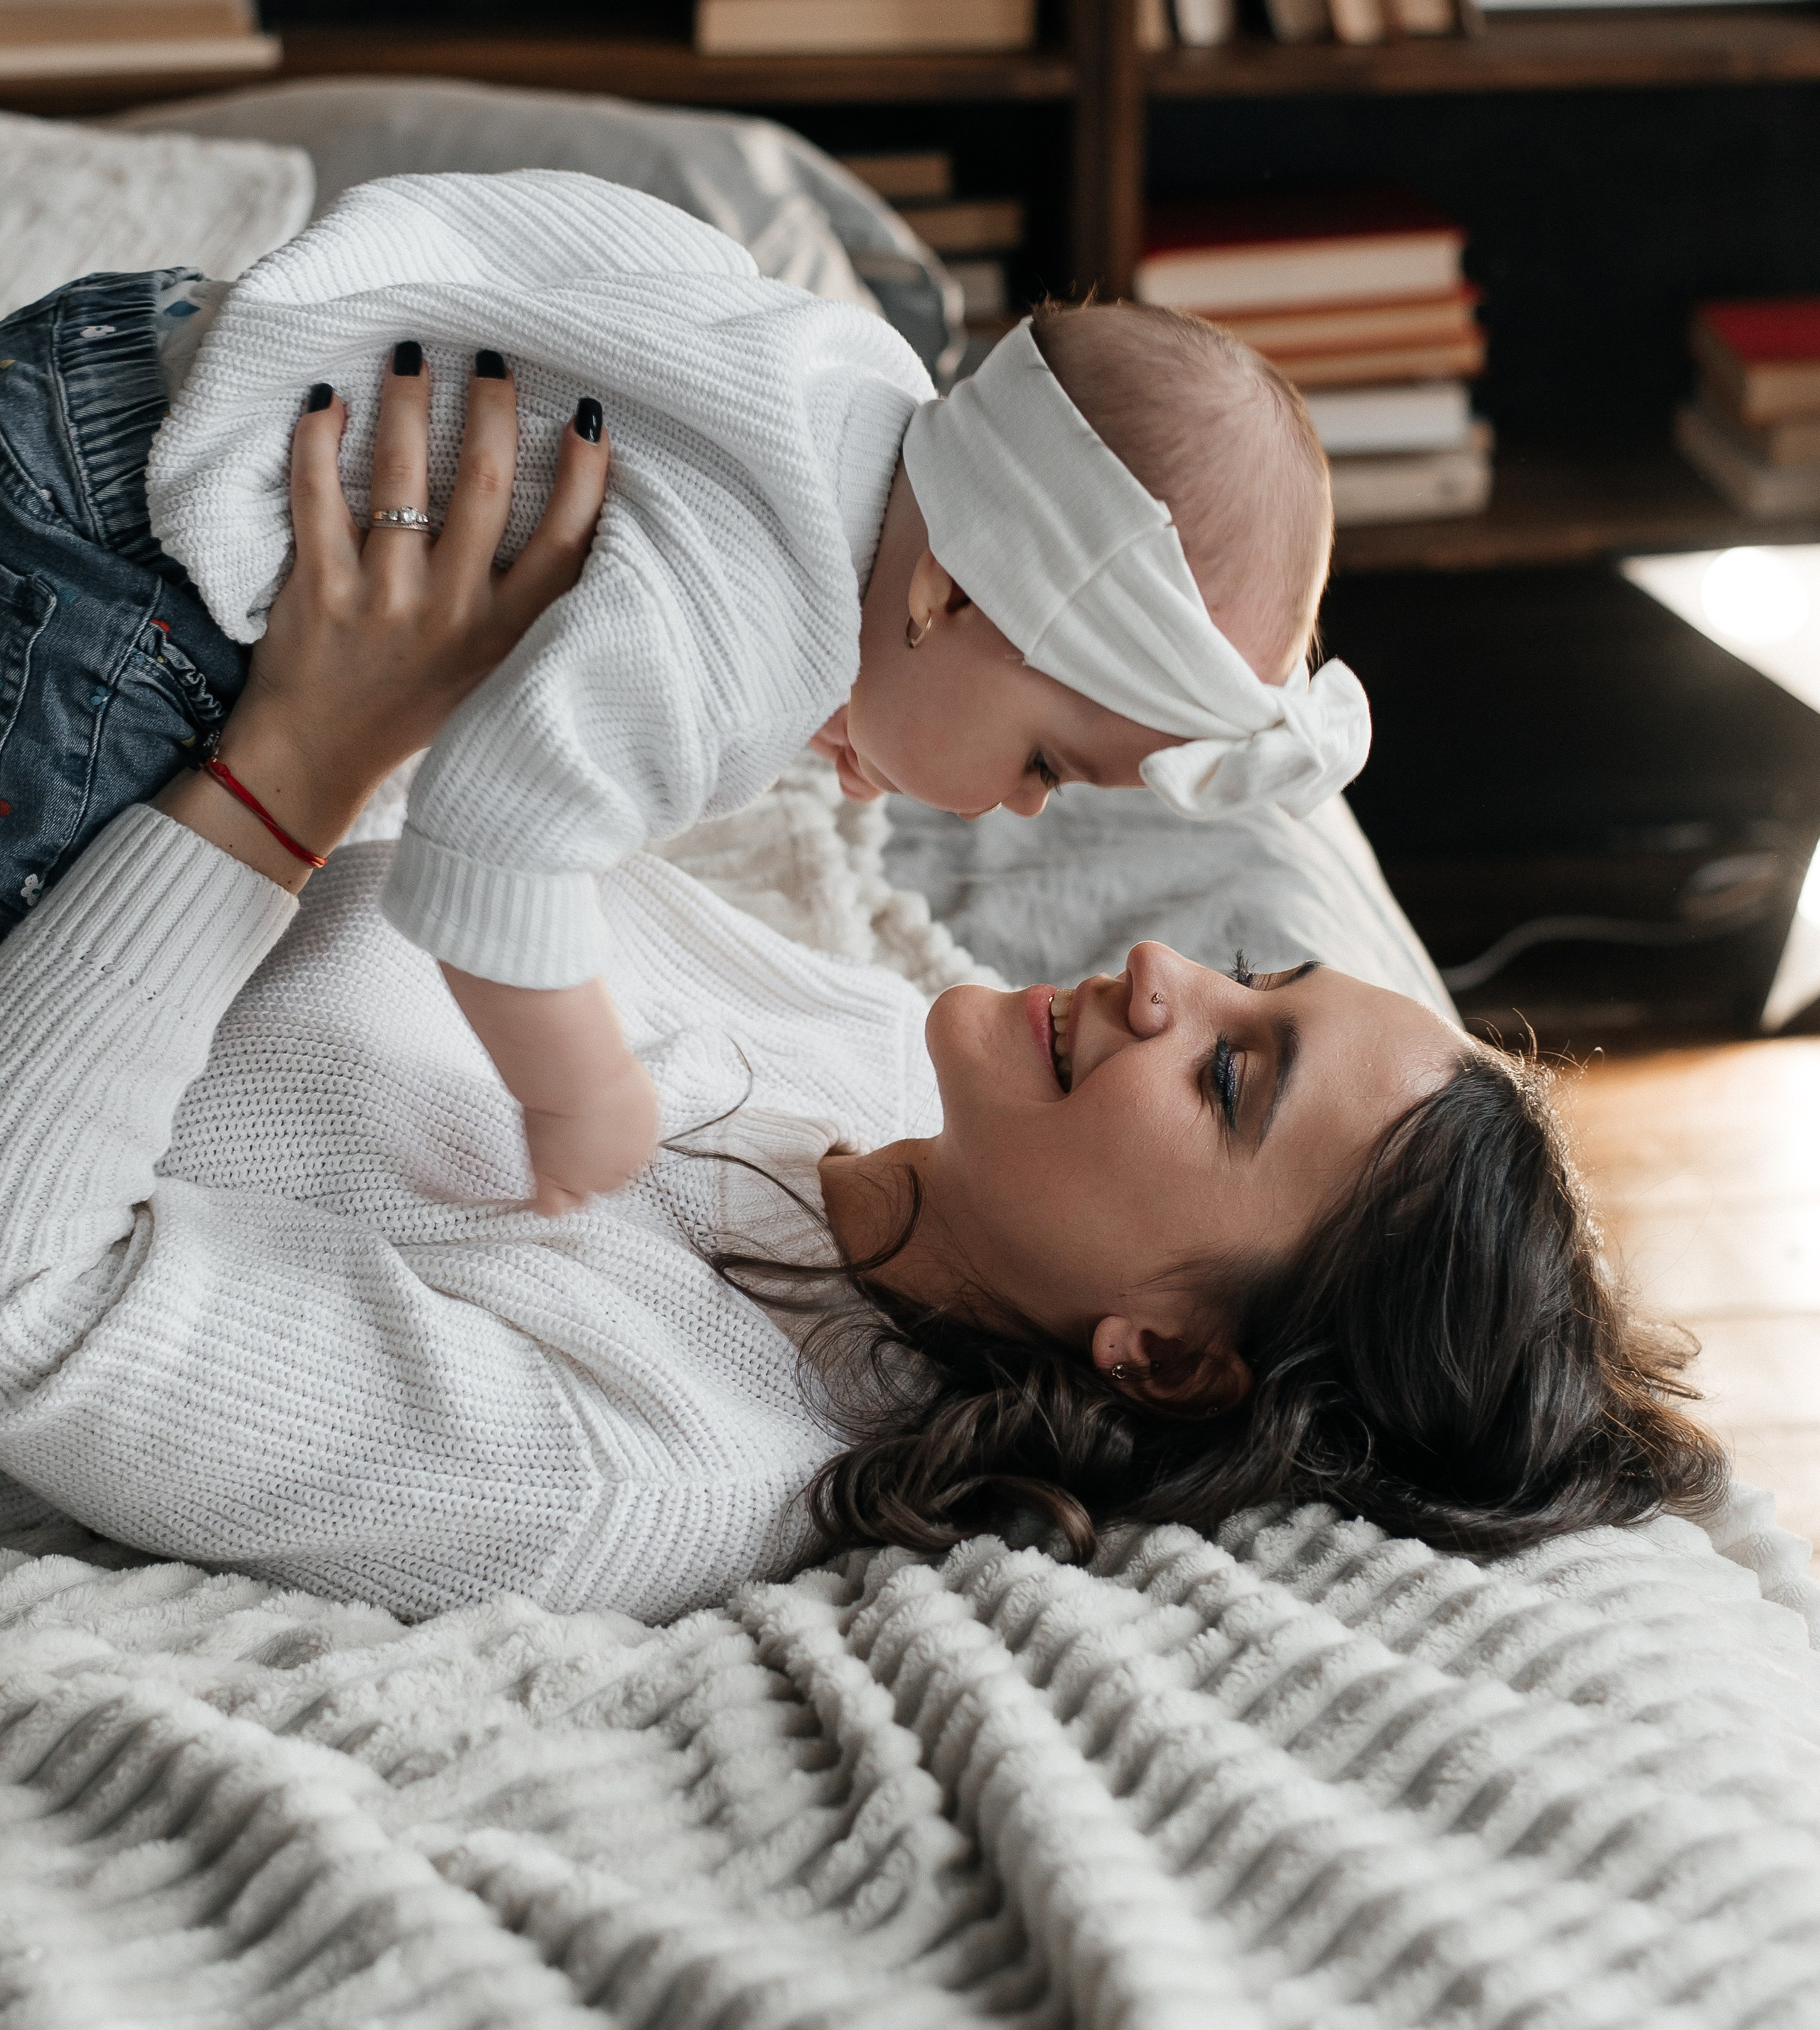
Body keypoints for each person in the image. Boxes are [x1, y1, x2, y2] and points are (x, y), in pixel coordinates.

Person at [0, 365, 1724, 1623]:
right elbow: (469, 849)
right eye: (1247, 975)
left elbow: (26, 1303)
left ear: (1168, 1356)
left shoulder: (638, 1463)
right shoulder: (880, 1077)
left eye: (1224, 1076)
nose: (1157, 973)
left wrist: (293, 754)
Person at [0, 169, 1368, 1215]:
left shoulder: (847, 382)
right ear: (945, 591)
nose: (1014, 807)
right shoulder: (758, 629)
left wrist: (848, 690)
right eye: (1048, 763)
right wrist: (581, 1090)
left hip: (126, 357)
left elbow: (618, 369)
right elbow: (491, 840)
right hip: (120, 574)